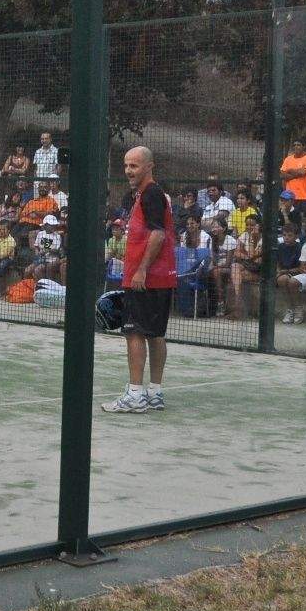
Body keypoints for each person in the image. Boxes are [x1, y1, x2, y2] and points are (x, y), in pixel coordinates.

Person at [104, 146, 173, 413]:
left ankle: (135, 395)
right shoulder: (146, 194)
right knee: (156, 334)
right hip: (160, 277)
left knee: (134, 332)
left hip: (146, 278)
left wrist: (141, 269)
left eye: (134, 166)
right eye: (126, 165)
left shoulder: (151, 193)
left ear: (149, 166)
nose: (128, 171)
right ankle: (154, 392)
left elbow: (157, 235)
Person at [279, 140, 306, 217]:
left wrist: (290, 171)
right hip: (289, 196)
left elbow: (303, 172)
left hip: (304, 197)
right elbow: (282, 175)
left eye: (298, 145)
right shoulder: (288, 159)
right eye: (294, 145)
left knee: (302, 220)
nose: (296, 147)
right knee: (289, 218)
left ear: (304, 147)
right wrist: (297, 174)